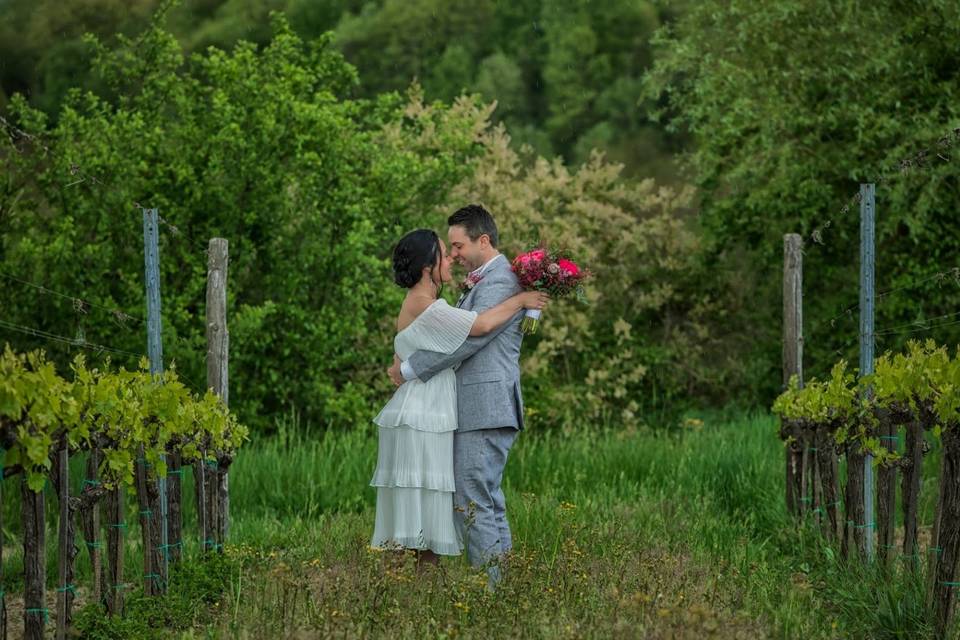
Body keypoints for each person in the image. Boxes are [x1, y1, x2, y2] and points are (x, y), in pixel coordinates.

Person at [371, 227, 546, 569]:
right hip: (422, 417)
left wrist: (404, 367)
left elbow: (401, 353)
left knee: (430, 504)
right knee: (422, 503)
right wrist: (521, 300)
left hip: (429, 413)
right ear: (428, 266)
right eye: (445, 251)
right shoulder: (426, 304)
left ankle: (425, 591)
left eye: (455, 247)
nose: (451, 256)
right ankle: (411, 590)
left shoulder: (426, 303)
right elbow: (478, 328)